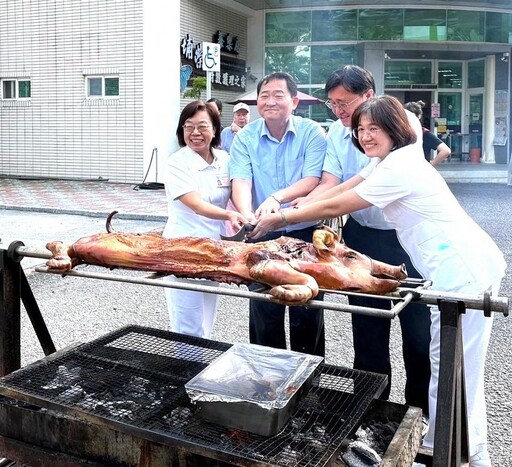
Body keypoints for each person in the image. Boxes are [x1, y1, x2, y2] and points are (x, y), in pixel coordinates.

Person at [252, 95, 506, 467]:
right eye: (361, 130)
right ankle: (451, 450)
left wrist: (280, 221)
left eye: (375, 128)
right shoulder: (385, 161)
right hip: (451, 270)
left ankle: (458, 454)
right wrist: (288, 209)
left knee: (454, 365)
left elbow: (339, 206)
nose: (366, 136)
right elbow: (340, 188)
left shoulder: (400, 166)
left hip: (464, 270)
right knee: (450, 363)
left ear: (395, 128)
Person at [293, 66, 431, 420]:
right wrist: (299, 205)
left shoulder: (401, 123)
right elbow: (331, 182)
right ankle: (371, 414)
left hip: (407, 241)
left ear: (368, 95)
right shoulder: (338, 135)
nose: (338, 111)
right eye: (332, 103)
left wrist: (291, 214)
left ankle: (421, 414)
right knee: (368, 329)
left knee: (418, 332)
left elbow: (356, 186)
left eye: (344, 103)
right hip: (363, 238)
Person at [229, 71, 327, 357]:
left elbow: (311, 179)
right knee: (264, 309)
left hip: (305, 232)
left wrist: (276, 199)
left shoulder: (312, 132)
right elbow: (241, 180)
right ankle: (267, 379)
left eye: (278, 95)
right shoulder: (245, 137)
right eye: (264, 95)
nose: (270, 101)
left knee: (307, 309)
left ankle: (310, 380)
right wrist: (247, 214)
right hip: (263, 233)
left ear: (294, 101)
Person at [163, 100, 247, 338]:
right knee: (187, 317)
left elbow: (238, 189)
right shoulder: (177, 162)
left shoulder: (224, 159)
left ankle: (200, 367)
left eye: (202, 126)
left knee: (208, 312)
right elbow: (196, 205)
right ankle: (185, 370)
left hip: (213, 248)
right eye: (188, 127)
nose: (195, 133)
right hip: (183, 248)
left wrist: (246, 213)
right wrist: (229, 214)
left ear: (215, 129)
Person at [404, 100, 451, 166]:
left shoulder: (424, 134)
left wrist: (431, 164)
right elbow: (445, 150)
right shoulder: (424, 133)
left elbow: (446, 150)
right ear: (420, 115)